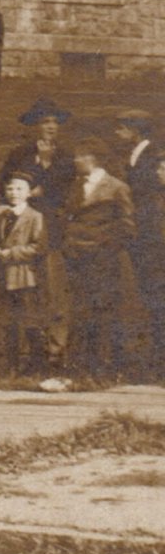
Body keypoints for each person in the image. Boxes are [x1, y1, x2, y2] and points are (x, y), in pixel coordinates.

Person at [0, 98, 75, 367]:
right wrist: (31, 185)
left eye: (55, 122)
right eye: (45, 122)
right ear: (34, 125)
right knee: (24, 294)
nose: (51, 127)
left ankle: (55, 350)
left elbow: (66, 192)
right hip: (22, 233)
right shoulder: (19, 155)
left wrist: (46, 165)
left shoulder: (65, 155)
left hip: (52, 233)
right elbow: (4, 188)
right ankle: (26, 354)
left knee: (52, 291)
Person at [62, 138, 136, 381]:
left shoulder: (116, 187)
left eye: (79, 156)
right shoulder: (76, 187)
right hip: (78, 259)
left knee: (105, 312)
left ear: (92, 158)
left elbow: (127, 226)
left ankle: (108, 368)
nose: (75, 160)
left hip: (104, 261)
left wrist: (105, 248)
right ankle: (85, 367)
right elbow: (70, 220)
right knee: (83, 312)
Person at [115, 110, 163, 381]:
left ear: (134, 130)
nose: (117, 133)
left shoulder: (155, 155)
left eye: (121, 128)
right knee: (148, 296)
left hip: (154, 237)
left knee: (157, 296)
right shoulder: (133, 155)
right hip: (142, 238)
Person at [0, 171, 48, 376]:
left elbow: (38, 247)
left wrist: (11, 253)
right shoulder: (2, 217)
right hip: (4, 276)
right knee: (9, 322)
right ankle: (11, 366)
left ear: (29, 193)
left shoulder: (35, 217)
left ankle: (37, 365)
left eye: (19, 189)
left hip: (25, 276)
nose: (14, 193)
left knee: (30, 321)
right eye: (10, 188)